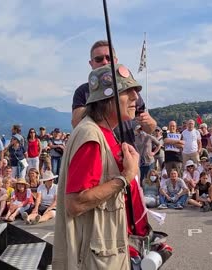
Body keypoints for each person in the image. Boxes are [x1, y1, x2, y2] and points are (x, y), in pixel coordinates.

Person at [53, 64, 148, 269]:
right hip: (94, 257)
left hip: (106, 248)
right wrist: (126, 177)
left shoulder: (106, 132)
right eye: (127, 91)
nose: (135, 98)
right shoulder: (91, 135)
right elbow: (76, 203)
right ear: (106, 100)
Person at [71, 40, 156, 146]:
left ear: (115, 61)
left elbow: (148, 127)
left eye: (109, 58)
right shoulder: (83, 91)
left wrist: (150, 123)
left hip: (128, 150)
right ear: (91, 63)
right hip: (101, 149)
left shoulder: (129, 89)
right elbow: (77, 123)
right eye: (98, 59)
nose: (105, 62)